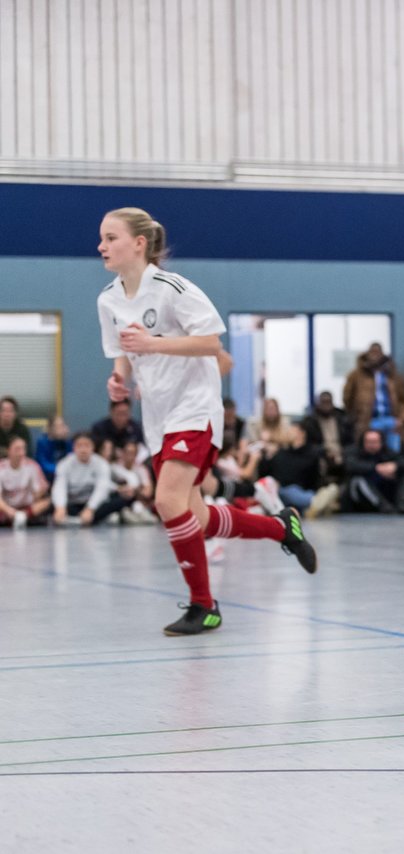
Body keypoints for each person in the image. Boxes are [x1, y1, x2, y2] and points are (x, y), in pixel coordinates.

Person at [96, 207, 316, 636]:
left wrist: (154, 344)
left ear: (139, 243)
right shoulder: (108, 298)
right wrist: (119, 381)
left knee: (166, 502)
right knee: (194, 515)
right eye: (101, 238)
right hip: (158, 416)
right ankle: (281, 527)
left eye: (110, 237)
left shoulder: (172, 288)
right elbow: (124, 349)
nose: (101, 246)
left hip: (194, 408)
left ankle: (204, 606)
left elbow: (211, 343)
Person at [258, 423, 340, 518]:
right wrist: (268, 456)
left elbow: (311, 475)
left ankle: (311, 508)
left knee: (298, 497)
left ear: (302, 433)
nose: (288, 433)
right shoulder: (281, 453)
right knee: (288, 491)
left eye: (292, 430)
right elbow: (265, 472)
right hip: (284, 491)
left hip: (304, 490)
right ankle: (317, 502)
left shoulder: (312, 452)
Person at [51, 433, 129, 526]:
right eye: (79, 446)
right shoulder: (64, 464)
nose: (83, 450)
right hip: (72, 503)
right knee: (50, 504)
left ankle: (80, 519)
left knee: (120, 500)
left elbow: (102, 488)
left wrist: (90, 509)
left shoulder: (101, 464)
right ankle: (97, 519)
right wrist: (60, 507)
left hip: (94, 504)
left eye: (87, 445)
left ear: (93, 447)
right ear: (74, 448)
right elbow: (59, 487)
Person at [343, 343, 404, 453]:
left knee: (393, 452)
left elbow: (403, 399)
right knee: (370, 451)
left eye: (378, 352)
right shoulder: (356, 375)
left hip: (390, 419)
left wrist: (401, 419)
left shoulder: (392, 375)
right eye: (372, 352)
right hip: (369, 420)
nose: (375, 356)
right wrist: (356, 416)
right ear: (367, 354)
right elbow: (347, 397)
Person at [341, 428, 404, 513]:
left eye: (375, 442)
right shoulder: (354, 452)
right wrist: (376, 468)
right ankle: (383, 506)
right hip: (362, 501)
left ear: (381, 442)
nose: (372, 445)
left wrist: (395, 466)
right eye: (369, 442)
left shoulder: (386, 452)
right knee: (358, 480)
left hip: (385, 492)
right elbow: (351, 466)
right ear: (363, 442)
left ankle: (402, 504)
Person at [302, 391, 353, 483]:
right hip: (322, 453)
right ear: (318, 403)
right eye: (323, 402)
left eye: (328, 402)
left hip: (342, 452)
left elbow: (351, 441)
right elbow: (307, 445)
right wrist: (325, 451)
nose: (326, 405)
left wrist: (342, 452)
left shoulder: (343, 418)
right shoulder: (310, 421)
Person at [0, 437, 51, 528]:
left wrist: (41, 490)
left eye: (23, 448)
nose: (21, 453)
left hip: (27, 508)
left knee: (47, 502)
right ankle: (15, 518)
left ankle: (21, 517)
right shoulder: (1, 468)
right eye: (17, 449)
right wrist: (10, 511)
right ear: (8, 450)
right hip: (5, 507)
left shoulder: (32, 465)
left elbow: (38, 494)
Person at [34, 415, 72, 480]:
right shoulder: (43, 442)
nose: (61, 429)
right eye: (57, 426)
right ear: (50, 428)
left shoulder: (67, 442)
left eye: (62, 425)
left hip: (65, 476)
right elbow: (43, 463)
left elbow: (71, 459)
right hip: (48, 477)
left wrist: (65, 440)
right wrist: (60, 469)